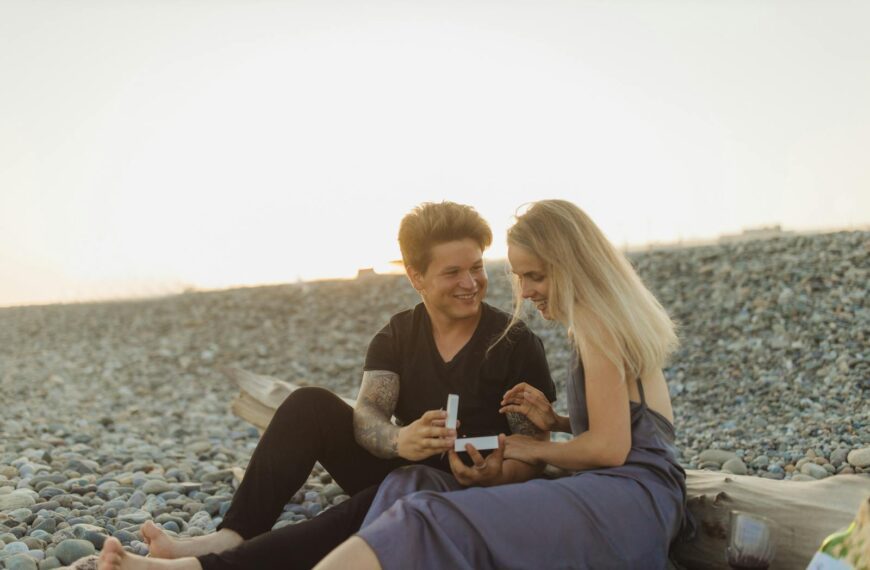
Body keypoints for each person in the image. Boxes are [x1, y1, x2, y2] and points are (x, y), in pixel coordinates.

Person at [97, 201, 556, 570]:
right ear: (416, 276)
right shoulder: (397, 334)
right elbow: (367, 417)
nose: (471, 283)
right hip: (400, 468)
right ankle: (233, 532)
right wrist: (400, 438)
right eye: (452, 272)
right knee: (310, 404)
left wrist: (495, 472)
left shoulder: (514, 343)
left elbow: (533, 451)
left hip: (473, 492)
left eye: (476, 267)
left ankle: (202, 568)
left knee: (365, 506)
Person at [314, 199, 692, 570]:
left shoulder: (599, 327)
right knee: (407, 489)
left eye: (535, 276)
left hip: (632, 502)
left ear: (572, 266)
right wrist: (558, 422)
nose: (525, 292)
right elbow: (631, 424)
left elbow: (610, 449)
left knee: (420, 518)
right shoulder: (600, 321)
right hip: (626, 492)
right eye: (519, 276)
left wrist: (523, 446)